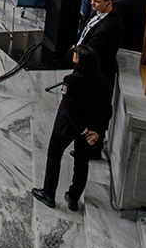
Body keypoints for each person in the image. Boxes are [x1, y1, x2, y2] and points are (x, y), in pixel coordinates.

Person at [31, 46, 112, 212]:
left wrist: (84, 130)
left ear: (80, 60)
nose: (73, 55)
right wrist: (97, 131)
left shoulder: (71, 80)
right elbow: (106, 110)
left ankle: (48, 193)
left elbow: (70, 108)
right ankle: (74, 197)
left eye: (76, 54)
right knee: (82, 162)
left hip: (67, 127)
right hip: (89, 129)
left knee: (54, 156)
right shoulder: (103, 82)